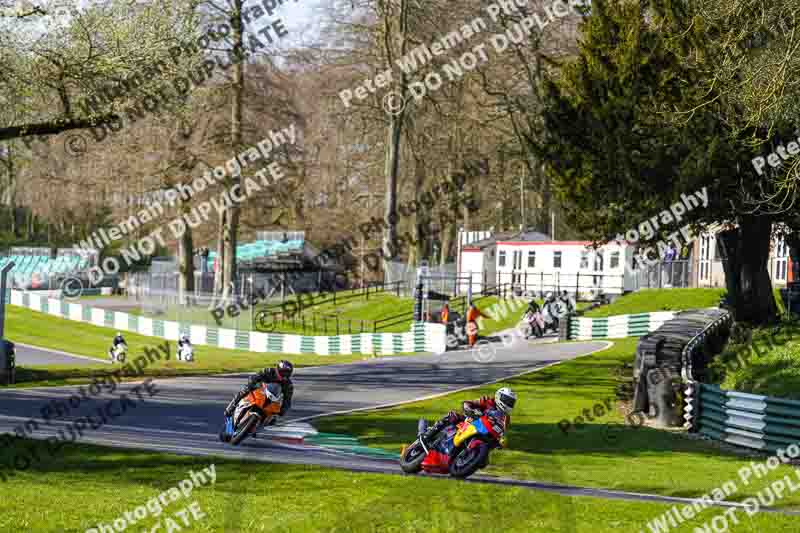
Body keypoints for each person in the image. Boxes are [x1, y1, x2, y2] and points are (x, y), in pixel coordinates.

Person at [419, 387, 517, 446]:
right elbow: (467, 403)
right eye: (507, 400)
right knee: (452, 415)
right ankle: (427, 435)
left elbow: (501, 433)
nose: (508, 404)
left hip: (483, 435)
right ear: (499, 396)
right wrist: (473, 411)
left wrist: (501, 440)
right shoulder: (487, 401)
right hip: (468, 422)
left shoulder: (506, 419)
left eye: (511, 402)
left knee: (484, 462)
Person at [224, 360, 294, 422]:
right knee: (245, 389)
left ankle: (257, 427)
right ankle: (231, 407)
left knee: (273, 419)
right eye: (283, 372)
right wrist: (252, 382)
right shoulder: (268, 371)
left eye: (287, 373)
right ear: (278, 369)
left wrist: (283, 410)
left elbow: (288, 400)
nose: (285, 375)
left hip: (273, 398)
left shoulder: (288, 385)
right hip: (260, 389)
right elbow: (255, 376)